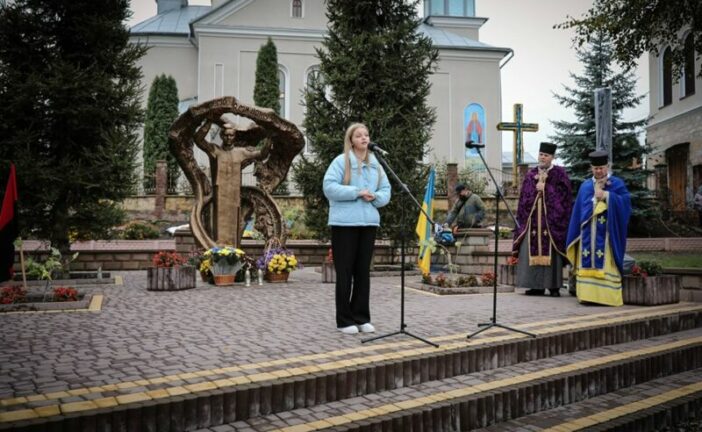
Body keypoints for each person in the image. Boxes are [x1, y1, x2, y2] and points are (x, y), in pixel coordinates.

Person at [323, 123, 391, 335]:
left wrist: (376, 197)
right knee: (345, 273)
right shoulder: (341, 162)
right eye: (359, 135)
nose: (364, 138)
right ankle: (344, 320)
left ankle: (361, 317)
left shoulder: (376, 164)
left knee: (363, 272)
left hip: (368, 223)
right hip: (344, 224)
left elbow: (386, 190)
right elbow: (329, 187)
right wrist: (357, 192)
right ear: (351, 140)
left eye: (366, 135)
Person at [566, 150, 631, 306]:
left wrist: (608, 196)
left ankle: (606, 297)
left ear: (607, 166)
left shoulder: (616, 184)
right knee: (587, 261)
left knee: (606, 263)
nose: (599, 171)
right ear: (591, 168)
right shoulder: (585, 186)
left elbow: (626, 204)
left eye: (601, 167)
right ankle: (587, 296)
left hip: (607, 234)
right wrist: (595, 199)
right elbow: (579, 211)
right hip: (588, 234)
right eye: (595, 168)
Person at [194, 120, 270, 247]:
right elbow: (199, 140)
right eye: (226, 135)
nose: (229, 138)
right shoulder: (215, 150)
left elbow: (262, 154)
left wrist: (270, 138)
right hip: (219, 195)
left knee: (233, 227)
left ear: (235, 137)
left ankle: (232, 254)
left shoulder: (241, 152)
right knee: (218, 226)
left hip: (234, 196)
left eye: (231, 135)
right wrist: (209, 121)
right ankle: (219, 254)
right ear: (222, 136)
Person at [512, 142, 572, 297]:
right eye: (541, 154)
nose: (543, 158)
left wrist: (546, 189)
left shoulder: (560, 174)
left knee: (552, 254)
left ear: (552, 157)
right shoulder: (531, 175)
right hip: (532, 223)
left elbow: (564, 199)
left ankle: (554, 287)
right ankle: (535, 286)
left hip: (551, 223)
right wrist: (535, 189)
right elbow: (524, 200)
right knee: (530, 250)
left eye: (546, 155)